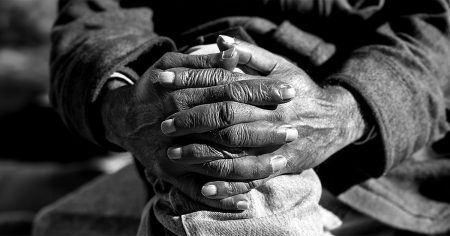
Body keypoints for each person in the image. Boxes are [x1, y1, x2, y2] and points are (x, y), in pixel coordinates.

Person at [50, 0, 450, 235]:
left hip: (399, 159)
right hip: (197, 76)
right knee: (224, 131)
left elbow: (437, 32)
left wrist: (346, 111)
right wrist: (126, 108)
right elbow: (90, 26)